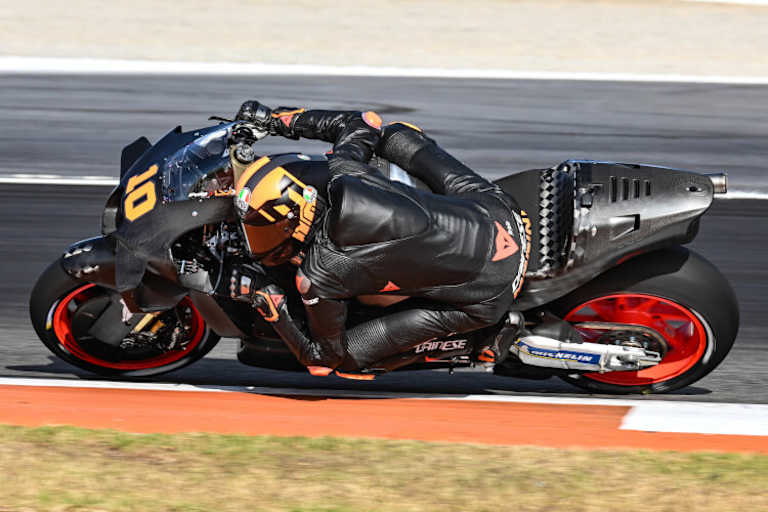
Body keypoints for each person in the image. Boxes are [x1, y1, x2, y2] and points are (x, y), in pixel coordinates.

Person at [231, 100, 530, 378]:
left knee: (348, 359)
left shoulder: (321, 272)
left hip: (491, 292)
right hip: (502, 211)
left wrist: (271, 302)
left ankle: (485, 338)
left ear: (298, 222)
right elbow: (366, 121)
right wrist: (277, 121)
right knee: (397, 134)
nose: (257, 240)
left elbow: (322, 360)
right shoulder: (345, 171)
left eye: (264, 230)